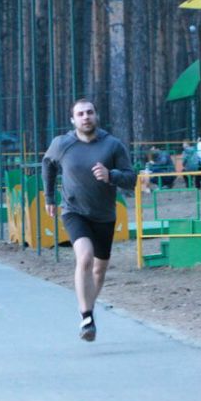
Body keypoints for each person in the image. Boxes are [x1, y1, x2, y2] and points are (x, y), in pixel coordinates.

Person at [42, 98, 137, 341]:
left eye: (90, 112)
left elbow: (131, 178)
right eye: (81, 114)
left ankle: (88, 309)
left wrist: (111, 175)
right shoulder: (62, 144)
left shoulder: (112, 145)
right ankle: (87, 318)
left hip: (104, 215)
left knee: (99, 269)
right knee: (84, 257)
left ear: (96, 116)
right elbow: (48, 165)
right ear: (73, 120)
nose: (86, 117)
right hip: (74, 211)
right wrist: (50, 197)